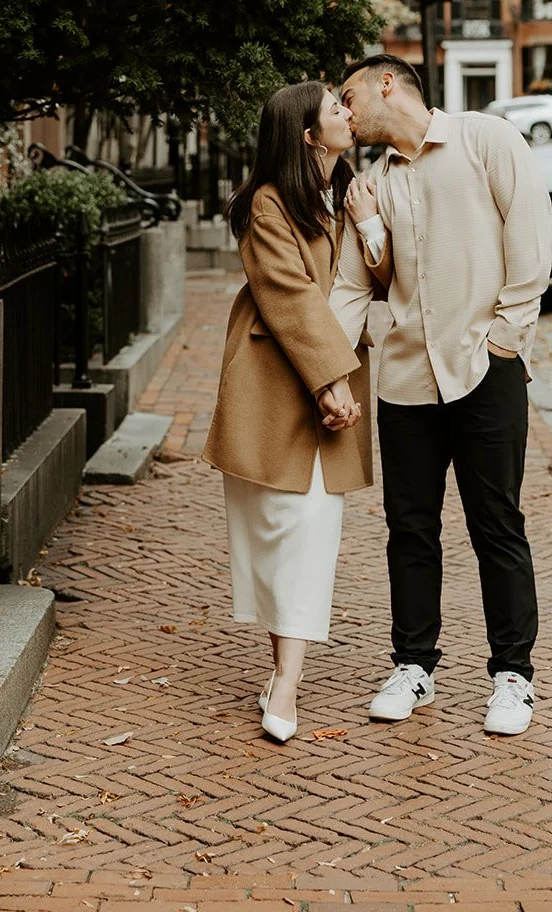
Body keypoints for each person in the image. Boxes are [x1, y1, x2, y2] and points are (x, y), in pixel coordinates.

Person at [330, 55, 552, 736]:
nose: (344, 112)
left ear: (386, 84)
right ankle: (412, 667)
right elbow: (351, 286)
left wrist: (505, 339)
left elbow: (532, 238)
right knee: (409, 530)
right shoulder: (368, 185)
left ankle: (511, 677)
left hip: (484, 370)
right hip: (403, 383)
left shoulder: (486, 139)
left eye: (348, 97)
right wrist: (332, 372)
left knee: (497, 526)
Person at [202, 82, 372, 745]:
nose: (348, 114)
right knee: (275, 529)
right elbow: (289, 294)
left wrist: (370, 223)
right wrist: (332, 378)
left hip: (333, 381)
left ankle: (288, 682)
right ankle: (280, 674)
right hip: (274, 386)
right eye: (335, 108)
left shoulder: (350, 195)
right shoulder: (270, 204)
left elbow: (374, 276)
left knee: (309, 532)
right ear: (307, 135)